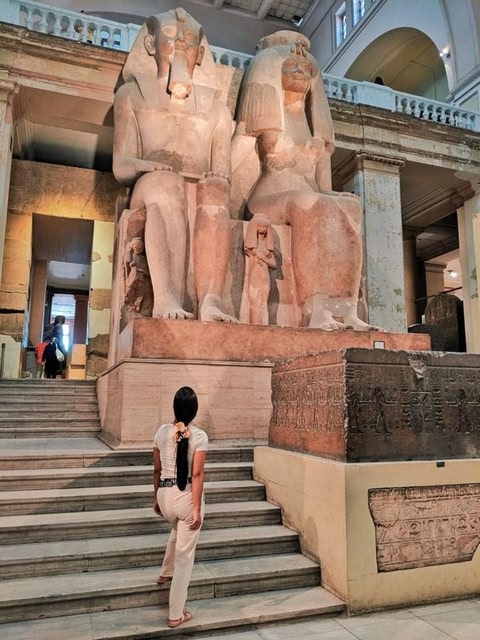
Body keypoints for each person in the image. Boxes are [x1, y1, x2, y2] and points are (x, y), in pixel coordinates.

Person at [232, 31, 377, 331]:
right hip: (268, 198)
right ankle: (316, 309)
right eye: (290, 67)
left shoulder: (314, 127)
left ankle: (347, 309)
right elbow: (238, 155)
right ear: (274, 72)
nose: (299, 71)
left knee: (351, 205)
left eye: (305, 68)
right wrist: (222, 186)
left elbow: (323, 187)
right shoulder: (266, 117)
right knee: (310, 203)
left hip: (307, 197)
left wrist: (336, 202)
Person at [113, 8, 236, 323]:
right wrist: (151, 167)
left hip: (196, 187)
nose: (181, 42)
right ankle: (167, 297)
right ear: (151, 45)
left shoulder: (217, 112)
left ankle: (211, 300)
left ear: (200, 54)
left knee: (216, 191)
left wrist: (216, 180)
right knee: (168, 185)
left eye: (189, 39)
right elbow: (121, 166)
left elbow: (223, 173)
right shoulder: (132, 95)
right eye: (170, 34)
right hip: (151, 184)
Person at [153, 386, 208, 629]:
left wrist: (155, 498)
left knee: (178, 531)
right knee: (185, 558)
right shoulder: (200, 436)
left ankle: (165, 572)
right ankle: (176, 614)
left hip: (164, 495)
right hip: (185, 498)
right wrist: (196, 509)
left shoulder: (161, 432)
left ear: (174, 407)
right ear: (194, 410)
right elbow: (196, 475)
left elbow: (156, 470)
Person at [244, 214, 276, 325]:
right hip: (255, 275)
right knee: (255, 301)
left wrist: (265, 259)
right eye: (259, 226)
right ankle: (255, 325)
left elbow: (274, 264)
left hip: (265, 276)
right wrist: (257, 254)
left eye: (264, 226)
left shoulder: (268, 249)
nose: (262, 229)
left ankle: (264, 325)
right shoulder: (252, 248)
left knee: (263, 302)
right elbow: (249, 250)